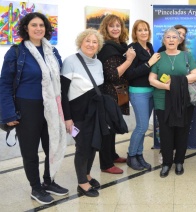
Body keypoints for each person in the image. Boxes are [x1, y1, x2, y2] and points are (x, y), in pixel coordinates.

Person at [0, 12, 68, 205]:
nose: (38, 28)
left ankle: (48, 181)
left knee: (51, 146)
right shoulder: (16, 52)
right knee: (30, 151)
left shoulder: (52, 52)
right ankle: (36, 188)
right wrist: (8, 113)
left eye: (41, 25)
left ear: (46, 29)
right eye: (34, 25)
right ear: (26, 28)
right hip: (27, 107)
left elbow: (60, 80)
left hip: (51, 107)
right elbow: (4, 84)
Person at [149, 27, 196, 178]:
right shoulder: (158, 57)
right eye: (168, 37)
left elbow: (195, 75)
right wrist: (166, 86)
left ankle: (179, 162)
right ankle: (166, 163)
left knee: (182, 132)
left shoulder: (187, 56)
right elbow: (151, 79)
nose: (171, 40)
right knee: (165, 133)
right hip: (162, 100)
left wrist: (177, 83)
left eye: (174, 37)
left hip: (184, 101)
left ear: (179, 40)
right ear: (163, 40)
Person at [61, 28, 105, 197]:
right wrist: (67, 118)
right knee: (82, 147)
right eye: (88, 41)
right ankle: (82, 183)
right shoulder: (70, 61)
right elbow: (63, 93)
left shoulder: (99, 62)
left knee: (93, 145)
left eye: (95, 42)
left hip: (94, 113)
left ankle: (87, 174)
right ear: (80, 42)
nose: (91, 44)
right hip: (77, 115)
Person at [97, 14, 136, 174]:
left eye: (118, 26)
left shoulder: (120, 45)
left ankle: (112, 155)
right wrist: (129, 61)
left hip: (118, 93)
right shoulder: (107, 47)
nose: (115, 29)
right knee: (107, 129)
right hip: (108, 93)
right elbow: (112, 75)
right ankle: (106, 164)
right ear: (105, 28)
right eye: (111, 26)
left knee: (112, 126)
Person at [124, 20, 161, 170]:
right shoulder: (132, 49)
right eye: (140, 30)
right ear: (135, 32)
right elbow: (130, 74)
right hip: (138, 92)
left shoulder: (149, 47)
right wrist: (149, 63)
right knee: (142, 126)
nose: (143, 32)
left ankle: (139, 155)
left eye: (145, 29)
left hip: (152, 90)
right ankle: (131, 155)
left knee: (143, 127)